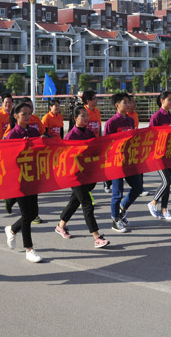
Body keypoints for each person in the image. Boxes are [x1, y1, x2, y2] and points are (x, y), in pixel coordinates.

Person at [55, 106, 110, 248]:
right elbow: (64, 157)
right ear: (75, 119)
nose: (86, 118)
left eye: (87, 115)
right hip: (75, 176)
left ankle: (60, 226)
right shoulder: (71, 136)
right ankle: (96, 237)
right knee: (87, 204)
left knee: (75, 201)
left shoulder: (90, 133)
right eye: (82, 116)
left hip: (88, 175)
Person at [3, 102, 44, 262]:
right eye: (23, 114)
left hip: (32, 177)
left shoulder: (33, 131)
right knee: (27, 214)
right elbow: (7, 158)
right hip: (18, 179)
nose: (27, 116)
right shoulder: (12, 135)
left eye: (29, 113)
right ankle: (29, 249)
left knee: (33, 213)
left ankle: (12, 229)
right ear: (15, 116)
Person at [105, 92, 143, 233]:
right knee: (117, 192)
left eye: (129, 102)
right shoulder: (111, 123)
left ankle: (122, 208)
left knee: (138, 187)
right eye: (125, 102)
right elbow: (106, 145)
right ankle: (115, 219)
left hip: (129, 160)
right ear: (117, 105)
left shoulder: (131, 121)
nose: (128, 104)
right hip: (116, 162)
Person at [147, 91, 171, 221]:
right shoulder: (156, 117)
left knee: (168, 183)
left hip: (169, 153)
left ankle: (164, 210)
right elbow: (151, 135)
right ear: (162, 100)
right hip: (158, 154)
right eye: (169, 99)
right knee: (166, 181)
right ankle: (153, 202)